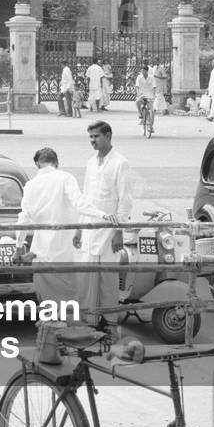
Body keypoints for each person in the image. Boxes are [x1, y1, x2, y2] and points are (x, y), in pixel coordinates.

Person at [14, 147, 115, 311]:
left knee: (47, 303)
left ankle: (50, 332)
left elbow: (23, 218)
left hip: (42, 253)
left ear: (37, 165)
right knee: (70, 300)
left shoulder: (30, 186)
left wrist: (18, 247)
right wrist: (103, 215)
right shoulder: (65, 178)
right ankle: (68, 331)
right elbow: (80, 204)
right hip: (67, 252)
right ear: (57, 163)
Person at [73, 121, 133, 326]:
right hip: (90, 227)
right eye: (90, 137)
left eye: (96, 136)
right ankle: (90, 322)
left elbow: (125, 200)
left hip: (109, 229)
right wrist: (79, 228)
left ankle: (110, 323)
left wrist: (118, 232)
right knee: (87, 277)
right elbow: (86, 198)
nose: (92, 141)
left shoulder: (120, 163)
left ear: (108, 136)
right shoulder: (91, 162)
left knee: (107, 279)